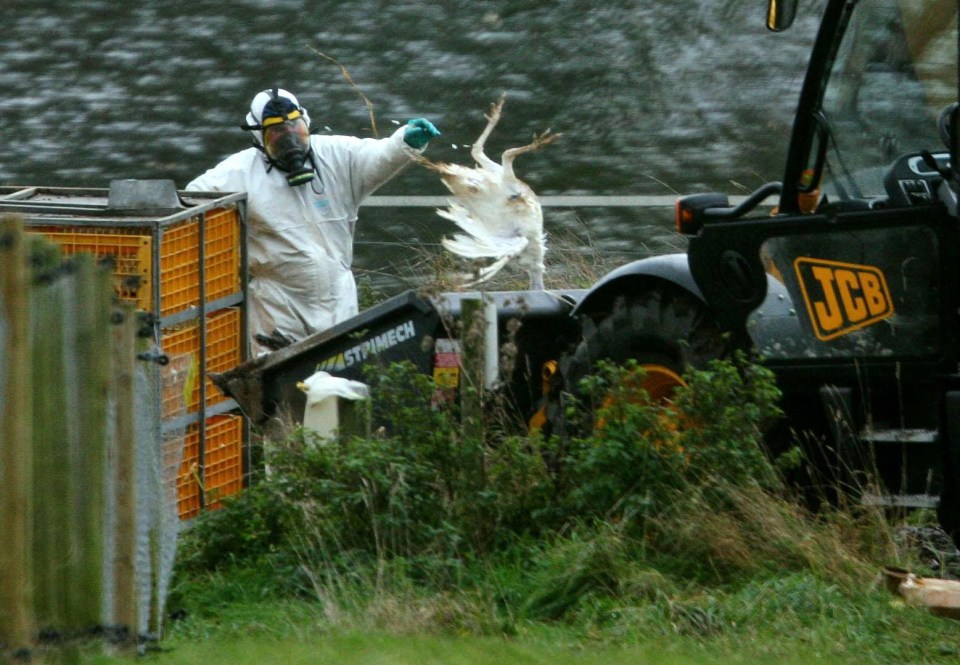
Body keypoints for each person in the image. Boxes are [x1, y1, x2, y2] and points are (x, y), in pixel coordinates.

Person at [186, 86, 440, 354]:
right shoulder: (239, 173)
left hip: (338, 298)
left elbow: (377, 156)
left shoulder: (336, 155)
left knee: (342, 380)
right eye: (277, 133)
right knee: (280, 383)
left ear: (305, 122)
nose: (290, 139)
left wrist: (404, 142)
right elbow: (190, 202)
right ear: (259, 137)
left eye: (295, 128)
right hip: (278, 305)